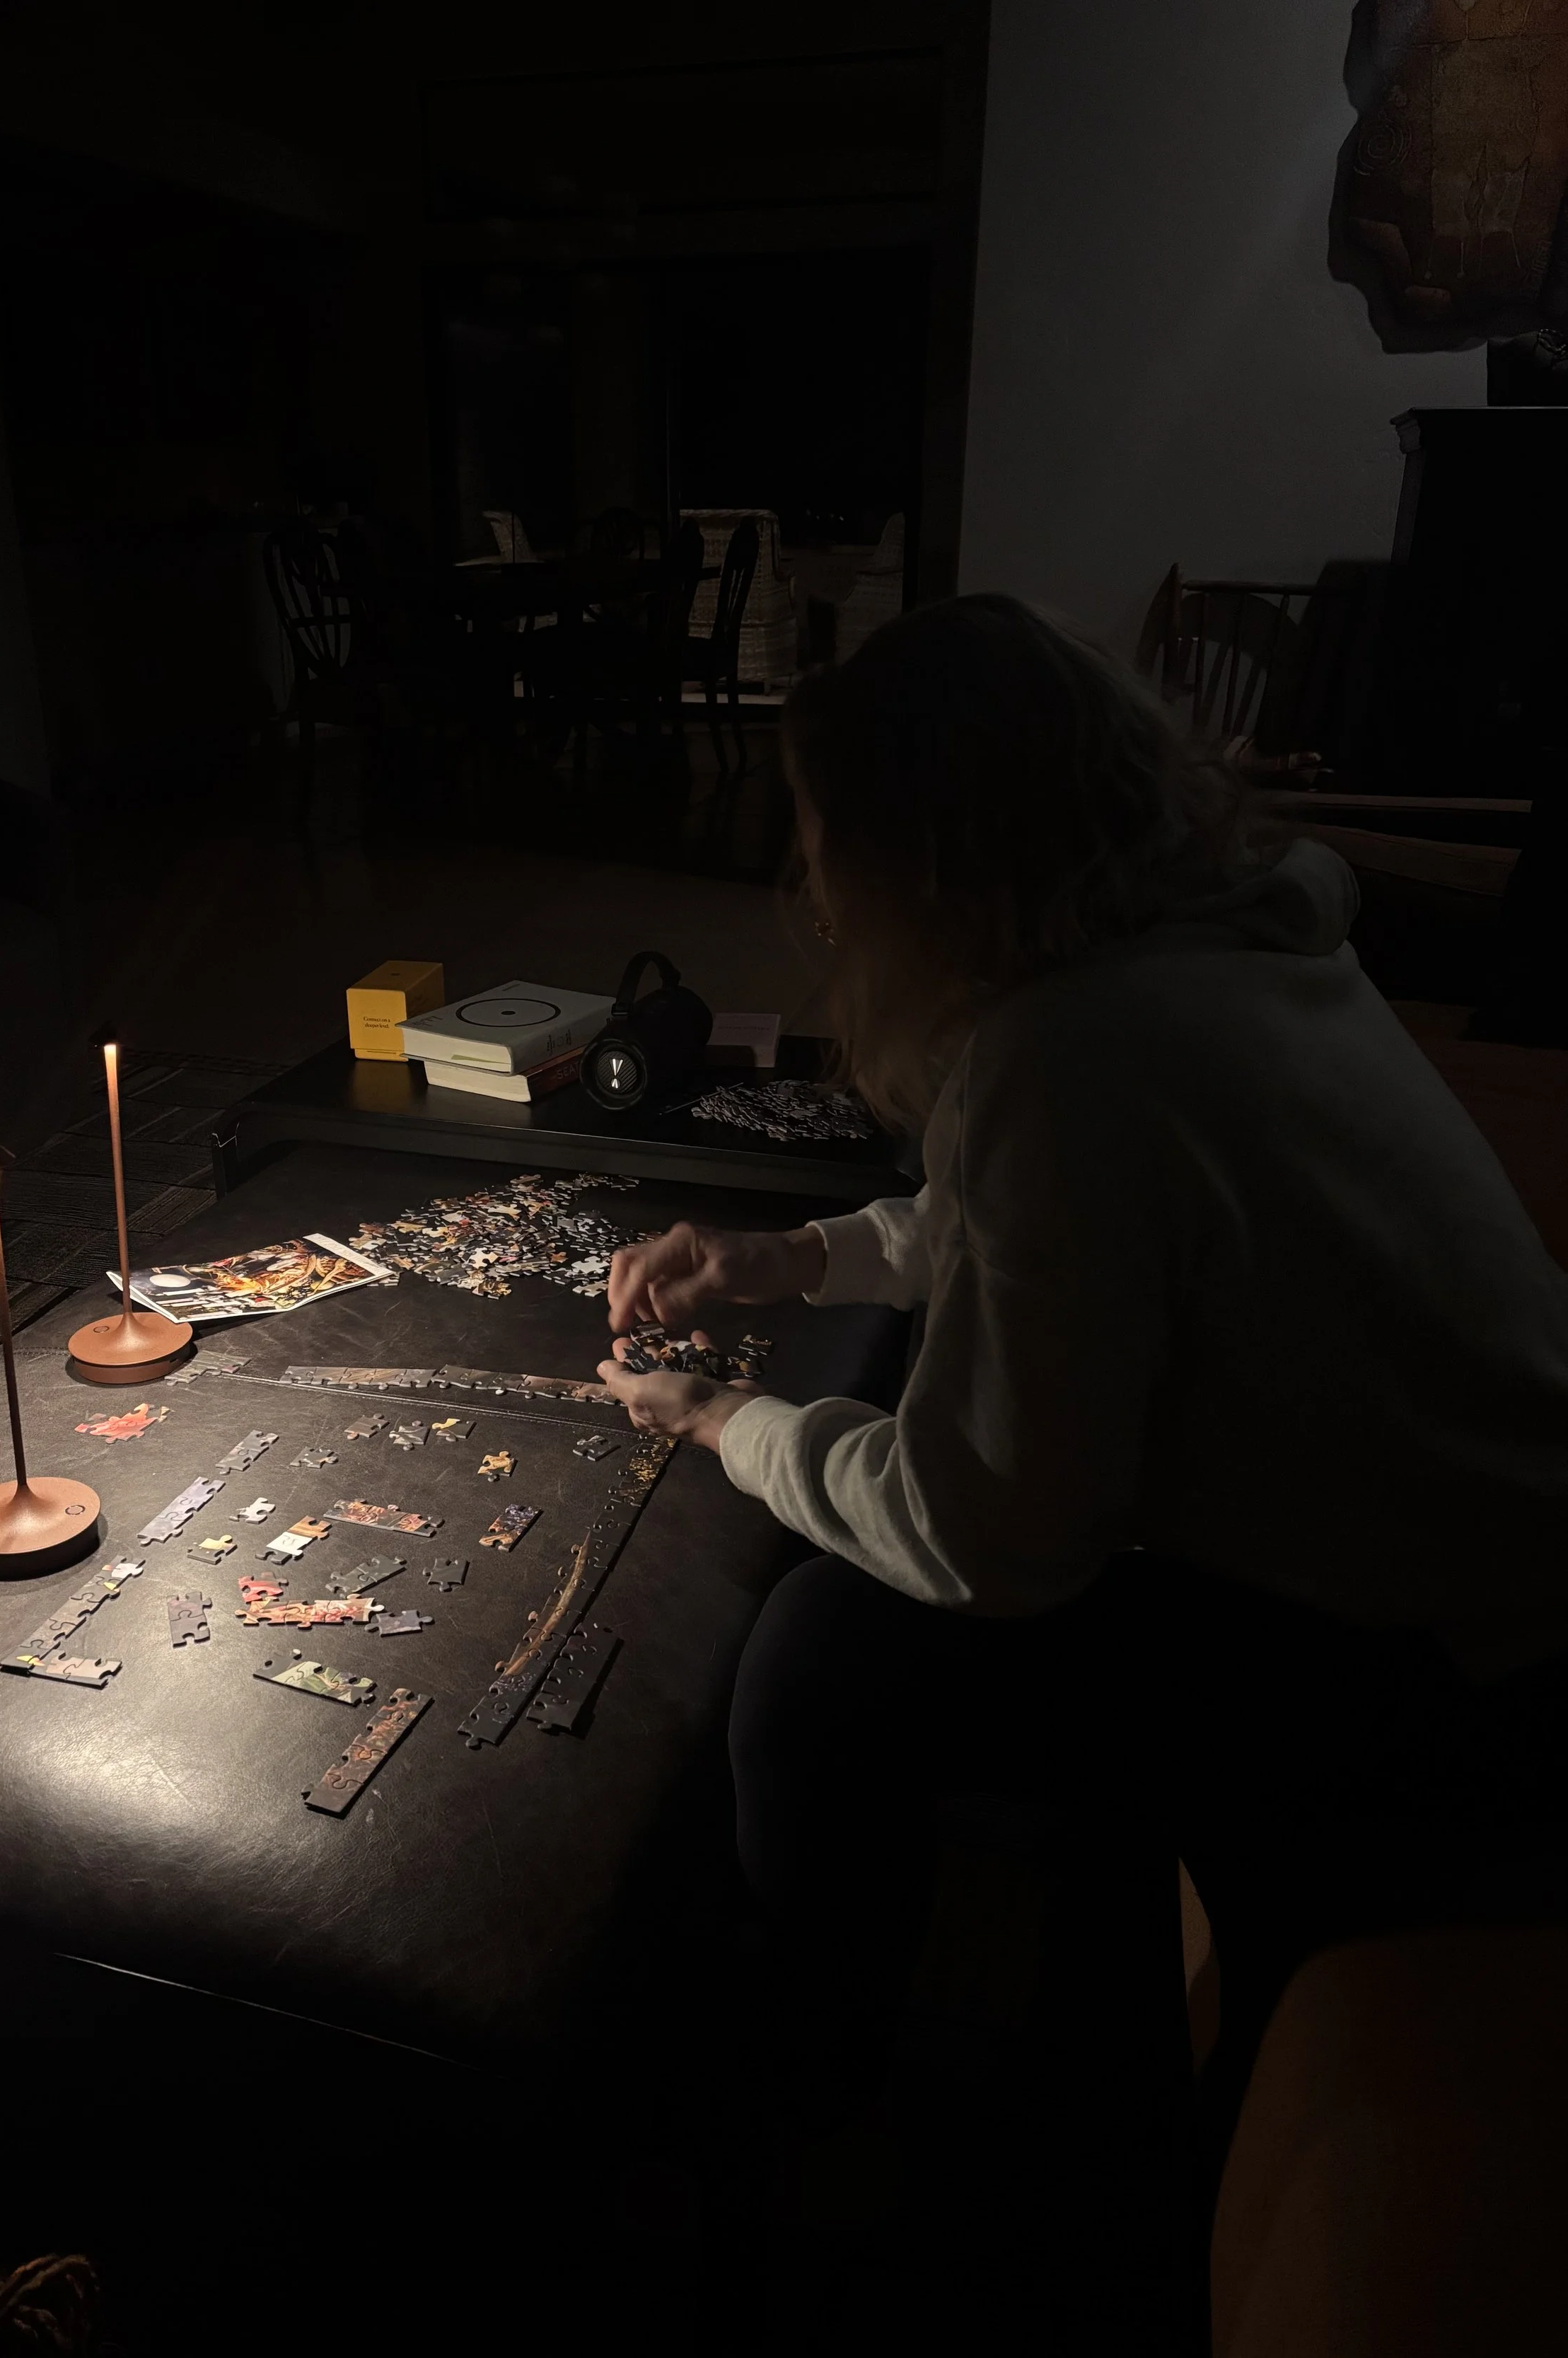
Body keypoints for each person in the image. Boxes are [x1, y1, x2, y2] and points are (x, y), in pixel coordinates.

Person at [596, 594, 1568, 2177]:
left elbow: (982, 1538)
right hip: (1491, 1574)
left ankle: (806, 2089)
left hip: (1458, 1684)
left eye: (829, 844)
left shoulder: (1070, 1051)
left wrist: (728, 1421)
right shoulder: (1212, 956)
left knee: (819, 1658)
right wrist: (792, 1263)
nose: (819, 897)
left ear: (927, 855)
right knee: (868, 1609)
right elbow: (1069, 1231)